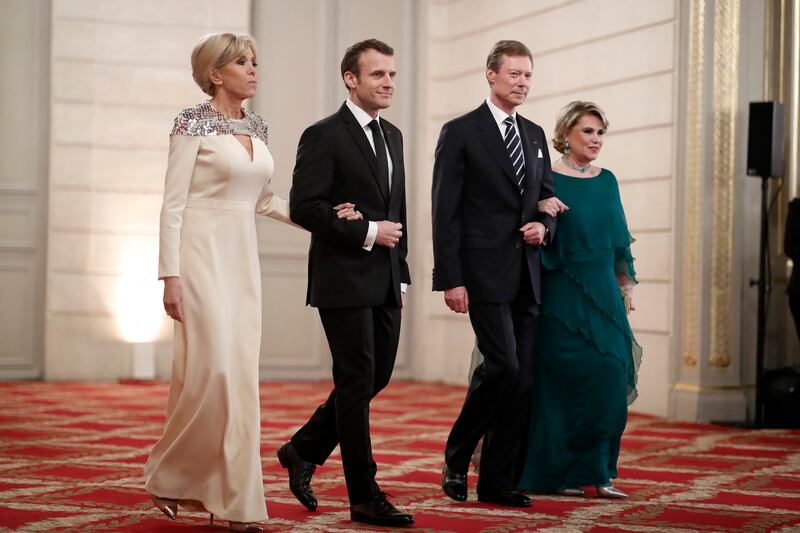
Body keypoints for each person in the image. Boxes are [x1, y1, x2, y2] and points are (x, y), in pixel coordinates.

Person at [144, 33, 361, 532]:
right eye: (242, 62)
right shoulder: (190, 122)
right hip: (197, 256)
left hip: (241, 259)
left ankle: (231, 500)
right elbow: (172, 204)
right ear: (215, 74)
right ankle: (170, 474)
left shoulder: (257, 126)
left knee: (237, 380)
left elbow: (263, 201)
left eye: (255, 60)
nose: (253, 69)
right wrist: (169, 275)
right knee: (213, 374)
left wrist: (325, 218)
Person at [276, 39, 413, 528]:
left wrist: (402, 274)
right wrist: (364, 230)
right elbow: (304, 206)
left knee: (376, 378)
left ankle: (302, 449)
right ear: (351, 79)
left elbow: (397, 211)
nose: (388, 82)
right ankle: (364, 494)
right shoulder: (324, 134)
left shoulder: (393, 134)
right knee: (355, 382)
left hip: (384, 278)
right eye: (377, 75)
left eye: (392, 75)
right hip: (342, 278)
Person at [431, 40, 557, 508]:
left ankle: (497, 481)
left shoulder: (536, 134)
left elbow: (547, 201)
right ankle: (457, 457)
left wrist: (543, 227)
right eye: (514, 75)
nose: (522, 83)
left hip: (527, 272)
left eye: (528, 76)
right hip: (481, 272)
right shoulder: (461, 131)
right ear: (491, 75)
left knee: (522, 379)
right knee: (502, 365)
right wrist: (450, 277)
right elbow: (444, 211)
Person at [517, 101, 642, 499]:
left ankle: (600, 471)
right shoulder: (545, 177)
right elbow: (526, 224)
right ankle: (558, 473)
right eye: (588, 131)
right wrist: (538, 209)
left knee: (609, 376)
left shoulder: (608, 180)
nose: (595, 140)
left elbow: (619, 240)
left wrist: (626, 287)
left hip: (603, 290)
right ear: (567, 133)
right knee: (561, 383)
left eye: (600, 132)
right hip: (559, 291)